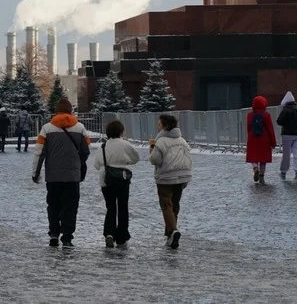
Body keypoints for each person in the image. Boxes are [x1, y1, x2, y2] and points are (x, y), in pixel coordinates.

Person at [32, 98, 90, 248]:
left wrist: (35, 173)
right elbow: (86, 151)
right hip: (72, 176)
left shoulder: (47, 129)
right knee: (70, 206)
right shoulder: (80, 128)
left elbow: (39, 153)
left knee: (53, 205)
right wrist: (78, 163)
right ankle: (67, 236)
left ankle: (53, 234)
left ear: (56, 111)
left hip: (53, 176)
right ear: (70, 110)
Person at [149, 113, 193, 250]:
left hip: (166, 177)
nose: (157, 126)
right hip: (182, 176)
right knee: (175, 204)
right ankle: (170, 233)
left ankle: (173, 230)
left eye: (159, 124)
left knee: (166, 204)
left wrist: (151, 150)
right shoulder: (182, 140)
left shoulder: (161, 141)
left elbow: (155, 160)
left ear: (165, 126)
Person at [94, 119, 139, 248]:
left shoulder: (103, 146)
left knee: (110, 207)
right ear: (121, 131)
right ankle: (121, 235)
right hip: (123, 178)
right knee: (123, 207)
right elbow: (136, 158)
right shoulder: (126, 145)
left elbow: (97, 164)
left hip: (107, 179)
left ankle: (109, 233)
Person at [246, 95, 277, 184]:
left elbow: (248, 128)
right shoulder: (266, 115)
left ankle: (255, 168)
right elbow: (270, 129)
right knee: (263, 159)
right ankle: (262, 176)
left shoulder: (249, 115)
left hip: (253, 138)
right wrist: (273, 142)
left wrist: (250, 137)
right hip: (264, 140)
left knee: (253, 157)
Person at [276, 91, 297, 181]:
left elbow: (279, 121)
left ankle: (283, 172)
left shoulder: (285, 110)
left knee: (286, 155)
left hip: (287, 135)